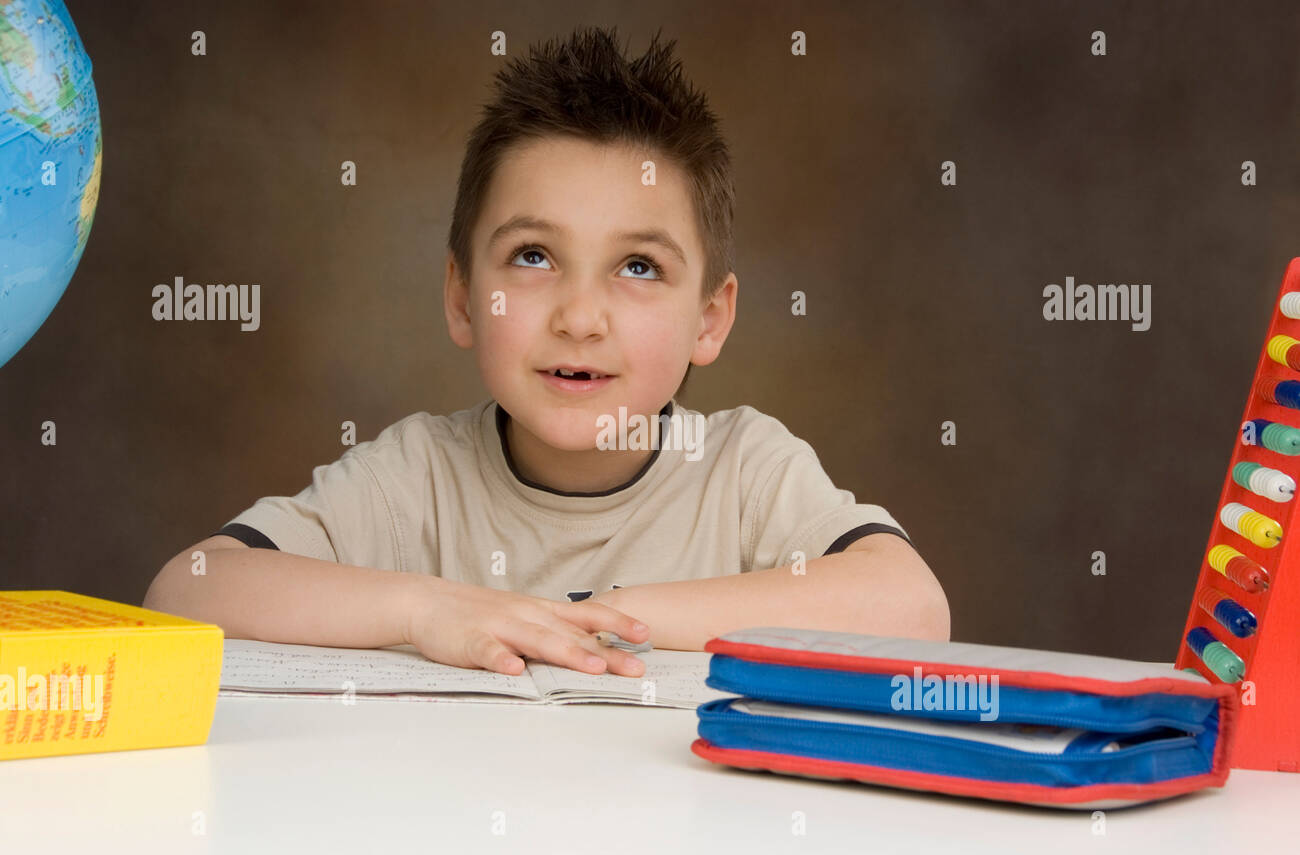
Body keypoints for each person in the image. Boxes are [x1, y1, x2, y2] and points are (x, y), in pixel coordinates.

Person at [143, 26, 949, 677]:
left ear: (710, 318)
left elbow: (913, 608)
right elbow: (187, 587)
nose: (580, 316)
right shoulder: (414, 477)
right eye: (533, 256)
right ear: (463, 296)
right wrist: (429, 611)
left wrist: (613, 616)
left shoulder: (743, 470)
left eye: (639, 267)